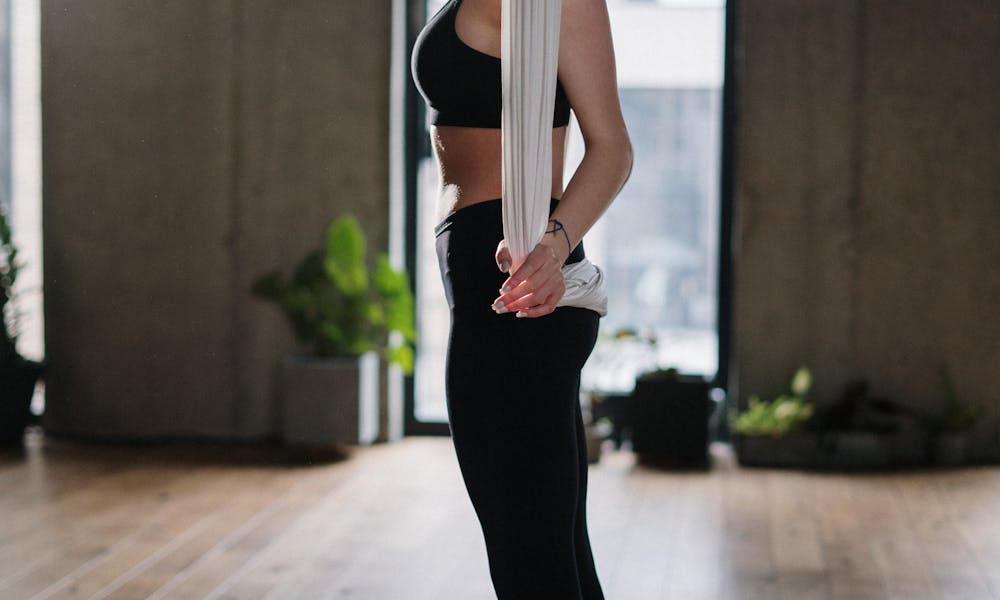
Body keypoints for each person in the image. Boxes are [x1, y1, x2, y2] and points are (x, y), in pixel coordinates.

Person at [411, 0, 631, 597]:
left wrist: (555, 248)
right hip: (495, 287)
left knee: (530, 562)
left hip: (519, 289)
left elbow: (612, 149)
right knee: (553, 553)